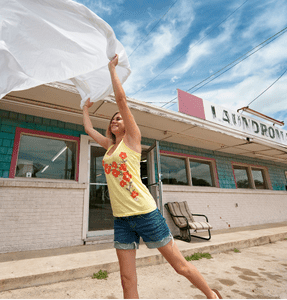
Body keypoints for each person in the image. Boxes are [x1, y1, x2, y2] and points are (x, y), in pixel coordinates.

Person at [82, 54, 222, 299]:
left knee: (180, 267)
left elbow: (121, 99)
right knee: (127, 280)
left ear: (126, 124)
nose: (116, 120)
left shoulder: (132, 140)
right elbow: (87, 129)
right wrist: (85, 108)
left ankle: (212, 295)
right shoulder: (109, 147)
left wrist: (111, 69)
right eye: (112, 119)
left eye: (119, 118)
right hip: (121, 220)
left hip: (146, 213)